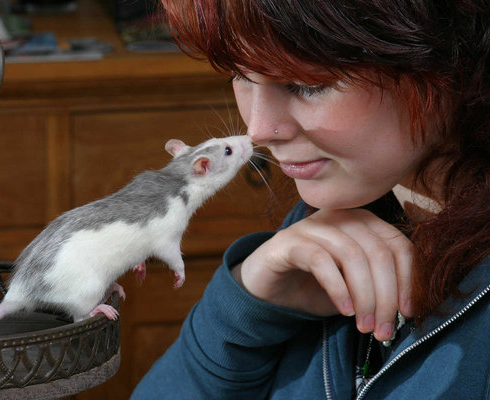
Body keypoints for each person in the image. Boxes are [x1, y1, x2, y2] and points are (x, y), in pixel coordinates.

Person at [132, 1, 490, 399]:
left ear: (450, 59)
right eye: (239, 74)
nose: (257, 130)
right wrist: (242, 309)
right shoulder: (318, 235)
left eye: (306, 85)